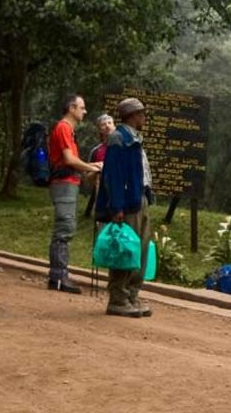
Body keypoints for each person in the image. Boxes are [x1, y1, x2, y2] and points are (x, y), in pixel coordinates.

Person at [96, 96, 154, 318]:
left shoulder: (134, 138)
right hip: (127, 204)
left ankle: (132, 293)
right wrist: (117, 206)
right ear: (132, 116)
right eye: (141, 114)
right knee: (125, 248)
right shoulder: (118, 139)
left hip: (139, 199)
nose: (143, 118)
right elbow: (115, 176)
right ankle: (118, 298)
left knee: (141, 249)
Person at [47, 94, 102, 293]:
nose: (84, 111)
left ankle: (60, 274)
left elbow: (73, 164)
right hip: (63, 183)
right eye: (82, 107)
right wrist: (92, 167)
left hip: (68, 182)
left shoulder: (69, 131)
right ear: (71, 108)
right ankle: (58, 276)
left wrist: (91, 168)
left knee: (67, 227)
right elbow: (69, 160)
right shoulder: (63, 127)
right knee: (64, 228)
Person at [84, 113, 114, 219]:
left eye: (110, 123)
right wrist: (98, 169)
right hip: (101, 196)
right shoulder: (96, 151)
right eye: (103, 124)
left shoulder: (125, 146)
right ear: (100, 130)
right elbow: (87, 176)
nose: (107, 126)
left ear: (114, 126)